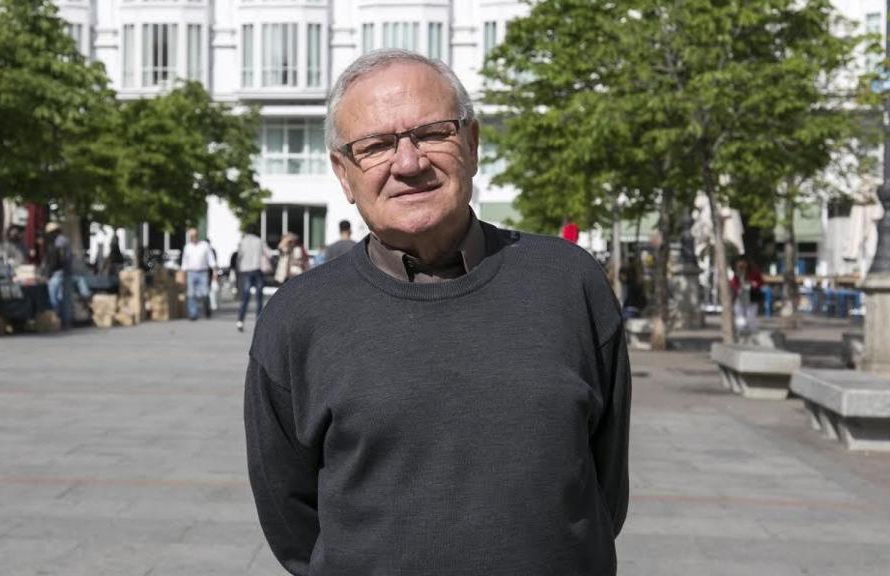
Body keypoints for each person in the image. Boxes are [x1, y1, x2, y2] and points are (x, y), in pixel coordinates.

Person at [244, 50, 630, 576]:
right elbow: (291, 518)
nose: (409, 162)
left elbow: (605, 485)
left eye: (431, 133)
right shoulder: (297, 317)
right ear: (343, 173)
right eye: (376, 146)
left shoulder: (569, 282)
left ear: (471, 144)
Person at [235, 227, 272, 332]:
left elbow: (239, 256)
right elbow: (268, 253)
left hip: (245, 271)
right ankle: (259, 320)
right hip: (257, 270)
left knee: (245, 297)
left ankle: (240, 321)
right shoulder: (259, 241)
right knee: (259, 297)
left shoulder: (242, 242)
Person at [180, 228, 215, 321]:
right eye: (191, 236)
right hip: (191, 272)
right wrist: (183, 276)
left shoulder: (204, 245)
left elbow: (211, 259)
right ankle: (193, 314)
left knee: (205, 293)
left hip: (203, 272)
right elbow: (184, 262)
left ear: (197, 235)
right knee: (191, 294)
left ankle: (207, 310)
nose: (193, 237)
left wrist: (214, 271)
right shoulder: (187, 247)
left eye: (194, 235)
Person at [731, 254, 764, 334]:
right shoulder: (736, 273)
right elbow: (733, 284)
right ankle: (741, 330)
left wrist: (754, 284)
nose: (742, 265)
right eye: (740, 263)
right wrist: (737, 287)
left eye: (743, 262)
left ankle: (752, 332)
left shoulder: (754, 272)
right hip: (740, 296)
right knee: (739, 314)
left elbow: (760, 282)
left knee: (751, 316)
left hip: (752, 296)